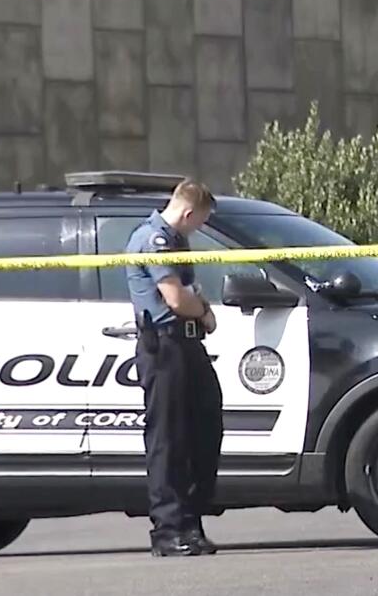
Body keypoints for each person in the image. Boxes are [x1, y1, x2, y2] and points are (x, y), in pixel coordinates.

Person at [124, 178, 223, 557]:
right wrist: (206, 312)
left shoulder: (178, 241)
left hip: (187, 344)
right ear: (188, 212)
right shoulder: (154, 239)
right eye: (201, 220)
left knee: (204, 429)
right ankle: (168, 529)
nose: (200, 227)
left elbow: (189, 297)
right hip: (164, 347)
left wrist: (199, 311)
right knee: (169, 439)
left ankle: (191, 522)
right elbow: (176, 298)